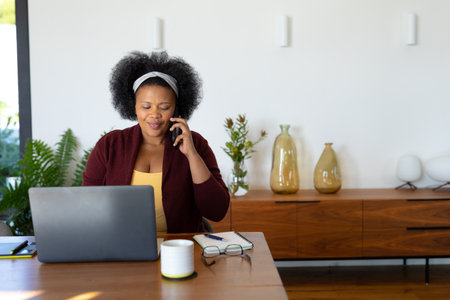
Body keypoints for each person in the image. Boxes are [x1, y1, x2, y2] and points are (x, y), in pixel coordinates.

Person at [82, 51, 230, 233]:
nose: (154, 115)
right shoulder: (110, 145)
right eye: (146, 107)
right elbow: (87, 207)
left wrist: (192, 155)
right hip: (123, 249)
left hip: (181, 250)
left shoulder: (196, 144)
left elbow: (217, 210)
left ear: (176, 108)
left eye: (164, 107)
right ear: (133, 106)